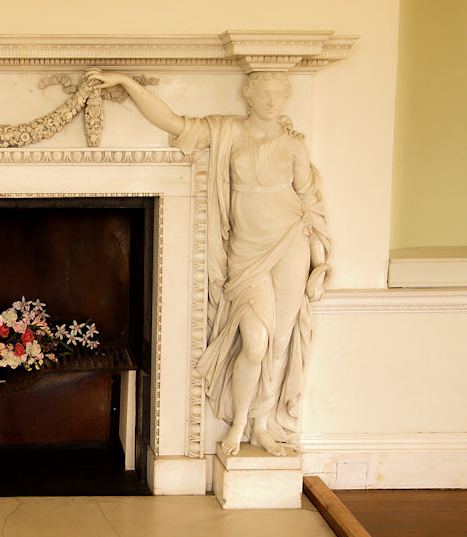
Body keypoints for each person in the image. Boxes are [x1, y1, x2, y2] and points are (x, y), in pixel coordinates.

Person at [86, 69, 330, 456]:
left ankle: (259, 427)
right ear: (248, 95)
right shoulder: (226, 131)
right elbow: (172, 122)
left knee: (279, 343)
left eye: (279, 95)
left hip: (291, 242)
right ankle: (237, 425)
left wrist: (320, 265)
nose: (272, 102)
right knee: (255, 342)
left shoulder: (293, 146)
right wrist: (127, 83)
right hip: (247, 250)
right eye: (264, 93)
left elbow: (311, 205)